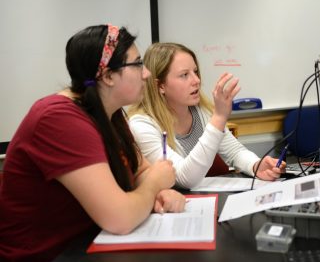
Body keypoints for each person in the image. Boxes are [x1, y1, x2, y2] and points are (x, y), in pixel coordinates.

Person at [0, 25, 186, 262]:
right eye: (138, 64)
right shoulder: (58, 119)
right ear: (108, 76)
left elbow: (141, 171)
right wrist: (154, 186)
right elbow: (120, 218)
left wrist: (160, 191)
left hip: (90, 246)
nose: (146, 73)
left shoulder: (110, 112)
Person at [128, 42, 285, 189]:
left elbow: (235, 152)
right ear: (160, 85)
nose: (196, 80)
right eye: (184, 75)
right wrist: (219, 118)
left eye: (195, 72)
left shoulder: (200, 110)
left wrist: (255, 165)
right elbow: (184, 178)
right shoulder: (142, 125)